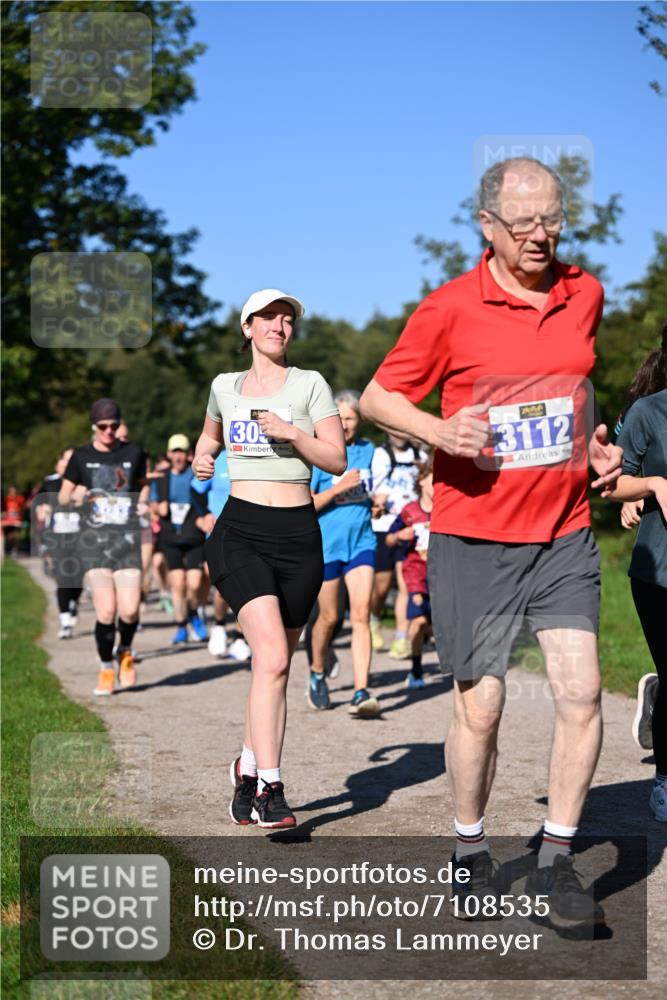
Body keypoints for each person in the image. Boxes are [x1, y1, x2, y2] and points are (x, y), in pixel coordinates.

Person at [360, 156, 622, 926]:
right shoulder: (448, 308)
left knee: (580, 692)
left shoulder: (584, 293)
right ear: (487, 225)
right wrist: (440, 431)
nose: (539, 235)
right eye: (523, 223)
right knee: (482, 706)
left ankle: (555, 862)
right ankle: (469, 847)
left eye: (551, 220)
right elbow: (378, 396)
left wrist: (590, 447)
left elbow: (570, 385)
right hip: (472, 537)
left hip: (562, 533)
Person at [193, 288, 346, 829]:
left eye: (287, 320)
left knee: (271, 666)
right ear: (247, 327)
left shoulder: (310, 384)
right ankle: (270, 791)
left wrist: (291, 433)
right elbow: (208, 438)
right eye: (268, 318)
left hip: (299, 536)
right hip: (240, 532)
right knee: (276, 658)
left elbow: (336, 458)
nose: (279, 327)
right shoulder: (224, 387)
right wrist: (203, 458)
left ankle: (247, 765)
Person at [59, 398, 149, 696]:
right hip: (94, 543)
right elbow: (63, 496)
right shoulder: (81, 456)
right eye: (103, 426)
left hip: (126, 541)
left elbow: (143, 484)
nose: (109, 431)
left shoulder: (134, 452)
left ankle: (125, 650)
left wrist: (143, 501)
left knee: (130, 610)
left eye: (113, 425)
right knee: (107, 610)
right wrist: (78, 496)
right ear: (94, 427)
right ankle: (106, 668)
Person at [607, 378, 666, 821]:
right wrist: (653, 485)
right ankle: (664, 779)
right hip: (659, 571)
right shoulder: (648, 411)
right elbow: (614, 482)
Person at [309, 390, 379, 716]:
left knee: (361, 615)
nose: (345, 424)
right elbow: (307, 503)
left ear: (359, 421)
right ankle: (317, 671)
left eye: (350, 418)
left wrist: (377, 503)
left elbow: (373, 488)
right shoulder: (319, 453)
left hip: (362, 542)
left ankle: (361, 692)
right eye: (339, 418)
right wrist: (339, 487)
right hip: (327, 546)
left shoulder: (369, 450)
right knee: (329, 617)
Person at [191, 450, 252, 662]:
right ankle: (219, 625)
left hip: (251, 532)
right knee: (225, 587)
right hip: (221, 532)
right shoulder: (219, 458)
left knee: (247, 586)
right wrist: (203, 514)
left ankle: (240, 637)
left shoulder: (259, 456)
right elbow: (195, 489)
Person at [370, 434, 427, 658]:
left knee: (406, 584)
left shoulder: (420, 456)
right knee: (382, 586)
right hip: (384, 526)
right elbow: (371, 489)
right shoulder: (380, 455)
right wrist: (377, 501)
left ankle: (401, 638)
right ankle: (374, 618)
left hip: (411, 527)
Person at [150, 434, 209, 645]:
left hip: (193, 536)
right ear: (169, 454)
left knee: (194, 583)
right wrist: (157, 508)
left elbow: (207, 497)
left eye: (182, 452)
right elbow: (152, 502)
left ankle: (193, 612)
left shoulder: (196, 475)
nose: (178, 456)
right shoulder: (161, 477)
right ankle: (181, 626)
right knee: (177, 584)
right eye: (175, 452)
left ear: (188, 455)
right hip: (171, 537)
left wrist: (206, 515)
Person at [385, 456, 434, 689]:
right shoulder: (410, 511)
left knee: (439, 625)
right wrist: (398, 536)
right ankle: (416, 670)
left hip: (443, 575)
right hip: (416, 575)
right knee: (419, 621)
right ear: (422, 480)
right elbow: (388, 539)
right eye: (435, 480)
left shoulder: (447, 511)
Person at [36, 446, 84, 638]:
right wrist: (42, 508)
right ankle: (65, 622)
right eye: (66, 459)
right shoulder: (51, 482)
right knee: (62, 578)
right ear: (59, 462)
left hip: (80, 536)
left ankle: (74, 602)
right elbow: (40, 502)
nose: (69, 464)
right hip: (57, 537)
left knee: (78, 577)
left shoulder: (83, 481)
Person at [2, 484, 26, 556]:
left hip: (17, 520)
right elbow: (4, 510)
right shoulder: (6, 499)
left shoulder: (20, 499)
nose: (12, 493)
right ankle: (8, 548)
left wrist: (21, 518)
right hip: (8, 521)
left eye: (14, 491)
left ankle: (15, 549)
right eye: (11, 491)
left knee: (16, 536)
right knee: (9, 536)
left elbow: (22, 509)